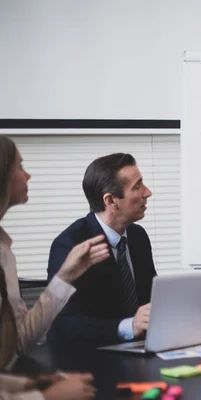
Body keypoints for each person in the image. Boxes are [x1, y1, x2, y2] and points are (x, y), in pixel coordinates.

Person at [0, 135, 105, 399]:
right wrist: (45, 397)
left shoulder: (5, 253)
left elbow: (19, 340)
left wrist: (27, 386)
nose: (28, 175)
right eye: (20, 167)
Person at [47, 153, 156, 345]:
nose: (147, 192)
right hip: (87, 361)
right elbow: (65, 325)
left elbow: (150, 300)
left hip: (139, 351)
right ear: (111, 201)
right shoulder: (70, 245)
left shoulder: (138, 237)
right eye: (137, 186)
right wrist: (129, 327)